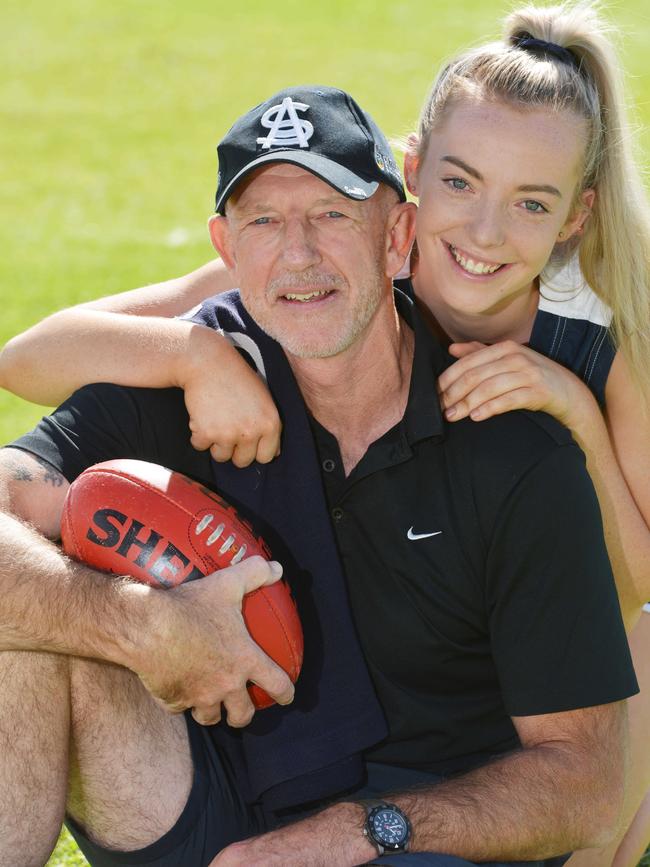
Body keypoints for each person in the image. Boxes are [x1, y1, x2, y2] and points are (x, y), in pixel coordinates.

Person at [5, 6, 648, 866]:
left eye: (332, 217)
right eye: (265, 223)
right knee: (33, 616)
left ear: (394, 233)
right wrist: (144, 622)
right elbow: (26, 366)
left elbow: (628, 597)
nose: (298, 254)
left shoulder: (572, 365)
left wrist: (572, 413)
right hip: (215, 788)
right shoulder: (232, 334)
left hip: (441, 786)